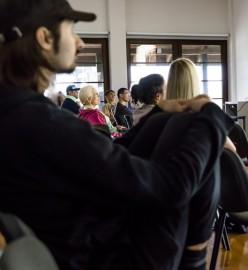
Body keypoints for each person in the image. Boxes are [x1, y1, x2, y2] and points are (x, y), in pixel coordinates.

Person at [0, 1, 234, 270]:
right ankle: (193, 263)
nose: (80, 43)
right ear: (44, 38)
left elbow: (111, 157)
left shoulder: (16, 111)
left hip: (88, 241)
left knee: (173, 120)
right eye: (72, 31)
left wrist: (158, 112)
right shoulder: (38, 122)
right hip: (114, 257)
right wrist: (213, 117)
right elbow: (171, 188)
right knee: (187, 125)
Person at [167, 58, 248, 197]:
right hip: (211, 178)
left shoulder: (162, 116)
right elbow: (231, 151)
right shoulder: (202, 115)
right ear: (194, 82)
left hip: (177, 184)